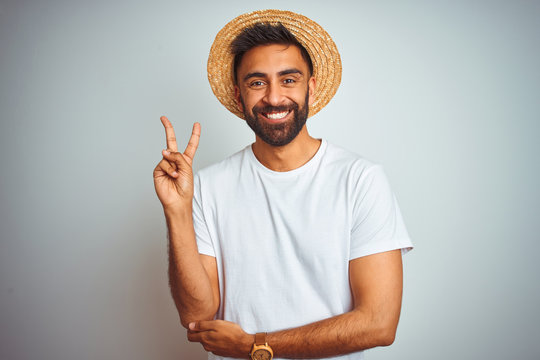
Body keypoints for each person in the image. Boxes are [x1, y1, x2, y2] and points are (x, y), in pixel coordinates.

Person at [153, 9, 413, 360]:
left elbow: (379, 324)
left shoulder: (360, 180)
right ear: (239, 94)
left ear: (312, 87)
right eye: (257, 82)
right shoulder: (208, 186)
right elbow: (197, 317)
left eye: (288, 80)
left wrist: (254, 346)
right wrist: (177, 211)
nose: (274, 98)